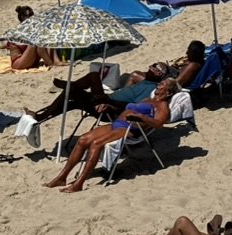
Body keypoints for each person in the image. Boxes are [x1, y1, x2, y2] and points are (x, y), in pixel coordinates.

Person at [44, 80, 176, 191]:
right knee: (83, 140)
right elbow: (127, 109)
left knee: (96, 144)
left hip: (130, 129)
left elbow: (159, 123)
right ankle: (62, 177)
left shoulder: (162, 106)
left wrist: (140, 116)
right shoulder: (149, 99)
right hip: (116, 123)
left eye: (163, 83)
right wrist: (110, 107)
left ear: (169, 92)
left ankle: (79, 183)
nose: (159, 84)